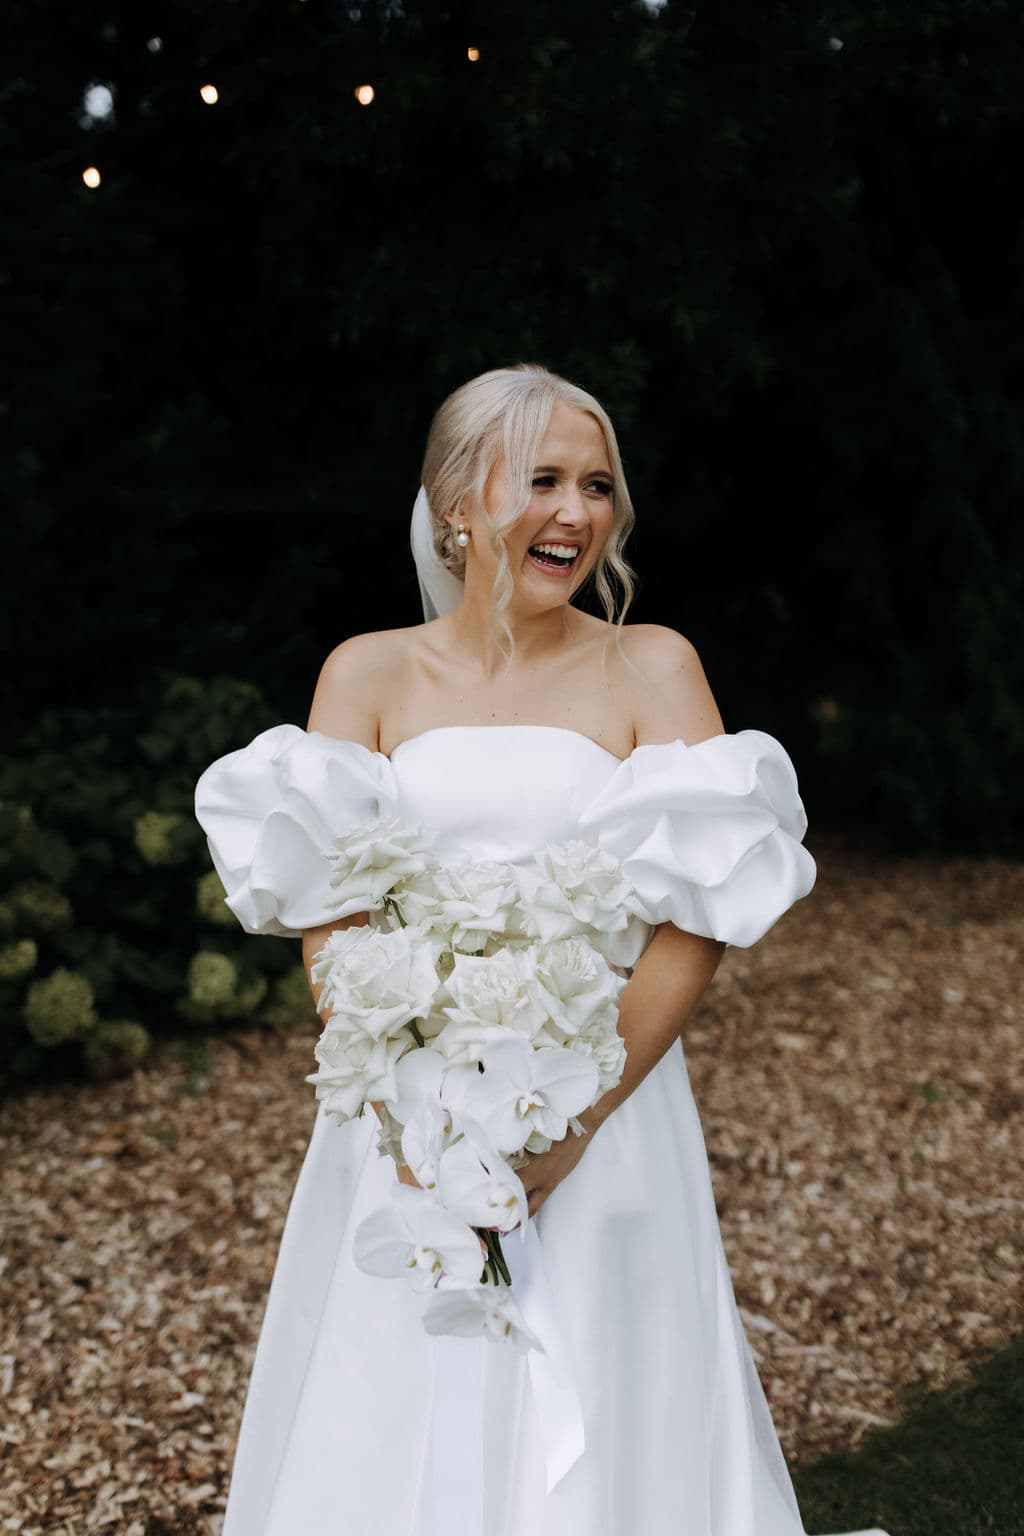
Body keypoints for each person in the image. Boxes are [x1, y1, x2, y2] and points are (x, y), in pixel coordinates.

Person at [194, 363, 890, 1536]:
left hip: (605, 1109)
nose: (575, 512)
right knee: (405, 1389)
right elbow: (332, 907)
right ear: (458, 502)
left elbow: (699, 915)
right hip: (405, 1122)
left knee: (610, 1381)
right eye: (542, 480)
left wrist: (571, 1123)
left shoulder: (651, 667)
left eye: (598, 485)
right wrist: (416, 1105)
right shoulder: (366, 673)